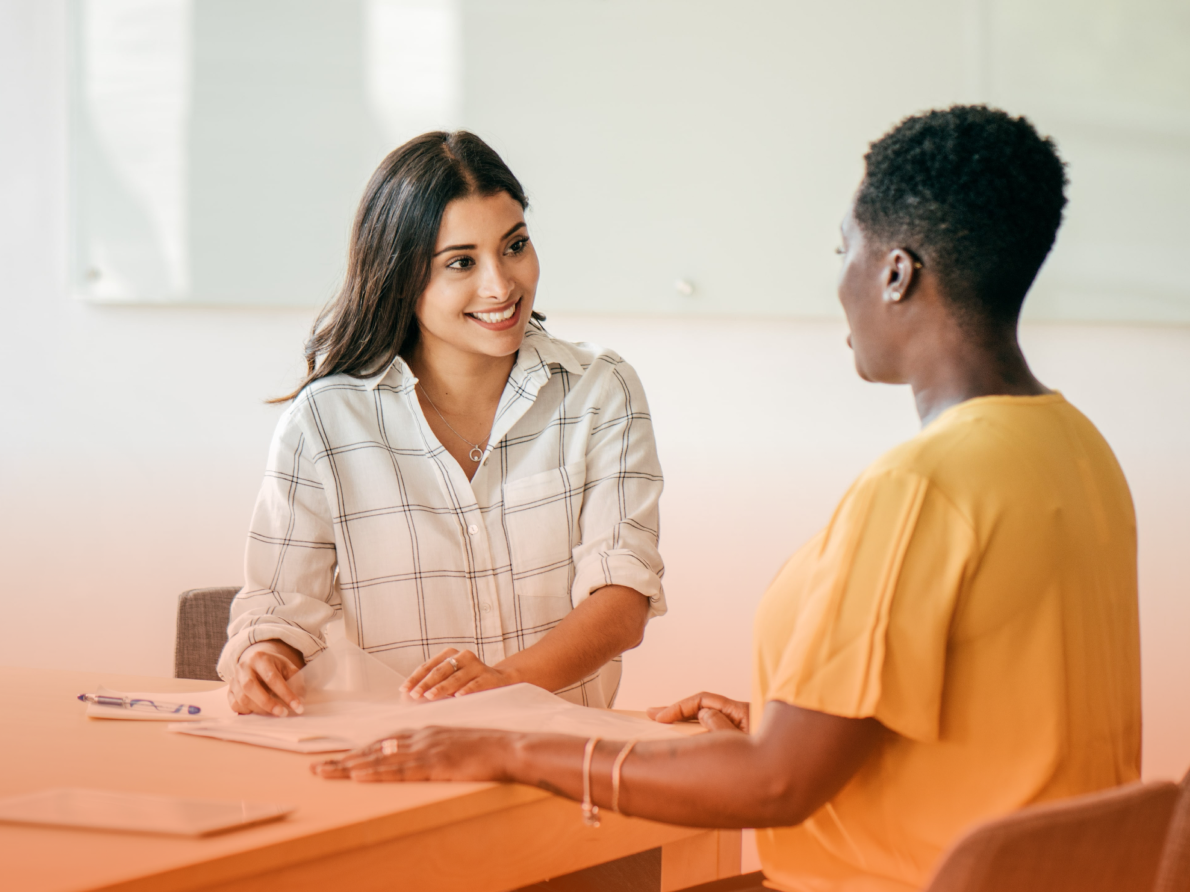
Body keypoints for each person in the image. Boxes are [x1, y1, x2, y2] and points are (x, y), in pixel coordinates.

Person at [311, 106, 1142, 892]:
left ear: (896, 274)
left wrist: (512, 751)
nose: (840, 282)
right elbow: (996, 728)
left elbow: (776, 789)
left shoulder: (920, 490)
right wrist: (780, 726)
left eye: (843, 249)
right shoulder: (1078, 452)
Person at [217, 132, 666, 717]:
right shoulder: (326, 423)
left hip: (562, 763)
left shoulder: (599, 390)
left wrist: (500, 683)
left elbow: (622, 598)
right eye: (461, 262)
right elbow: (276, 606)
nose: (501, 285)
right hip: (400, 760)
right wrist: (265, 657)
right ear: (401, 276)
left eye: (515, 246)